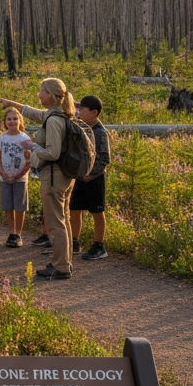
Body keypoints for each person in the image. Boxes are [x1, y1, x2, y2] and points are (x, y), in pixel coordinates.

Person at [0, 77, 77, 280]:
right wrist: (10, 103)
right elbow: (32, 112)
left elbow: (52, 153)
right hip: (63, 176)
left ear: (50, 95)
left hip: (53, 177)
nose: (39, 95)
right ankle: (64, 262)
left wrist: (32, 146)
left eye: (41, 92)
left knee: (55, 223)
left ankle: (61, 266)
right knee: (63, 220)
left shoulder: (53, 121)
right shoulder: (59, 114)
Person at [70, 94, 110, 261]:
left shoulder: (100, 133)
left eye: (82, 109)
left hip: (95, 179)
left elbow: (104, 158)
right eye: (78, 108)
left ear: (94, 112)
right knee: (74, 209)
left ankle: (99, 246)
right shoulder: (81, 128)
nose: (78, 112)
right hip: (80, 177)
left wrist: (91, 174)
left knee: (97, 211)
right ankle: (74, 242)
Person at [0, 106, 32, 247]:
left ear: (20, 120)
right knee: (8, 206)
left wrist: (17, 176)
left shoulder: (24, 138)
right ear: (5, 121)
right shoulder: (1, 138)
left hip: (20, 178)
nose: (12, 121)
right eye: (9, 119)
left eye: (15, 118)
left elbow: (29, 161)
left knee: (20, 207)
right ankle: (11, 233)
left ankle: (18, 234)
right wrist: (4, 175)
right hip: (5, 178)